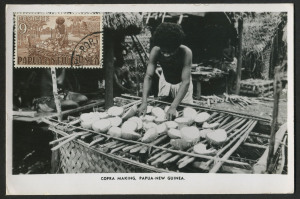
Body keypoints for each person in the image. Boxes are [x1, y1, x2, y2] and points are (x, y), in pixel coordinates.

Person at [137, 23, 193, 120]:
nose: (166, 55)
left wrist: (173, 106)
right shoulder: (156, 51)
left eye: (170, 52)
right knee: (161, 113)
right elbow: (148, 76)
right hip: (165, 83)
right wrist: (144, 102)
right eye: (164, 52)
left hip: (182, 86)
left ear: (177, 46)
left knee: (185, 116)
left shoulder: (186, 53)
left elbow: (186, 82)